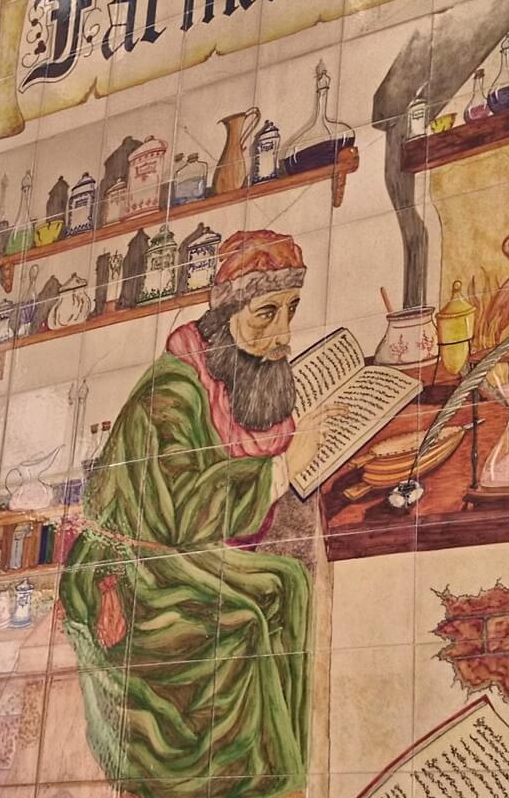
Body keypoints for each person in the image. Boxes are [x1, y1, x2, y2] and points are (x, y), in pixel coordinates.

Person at [58, 230, 341, 798]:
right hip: (133, 574)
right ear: (227, 314)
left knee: (288, 584)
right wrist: (285, 467)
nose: (283, 335)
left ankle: (287, 773)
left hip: (175, 553)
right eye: (266, 314)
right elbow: (188, 511)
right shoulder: (173, 390)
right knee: (244, 618)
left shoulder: (231, 373)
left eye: (290, 310)